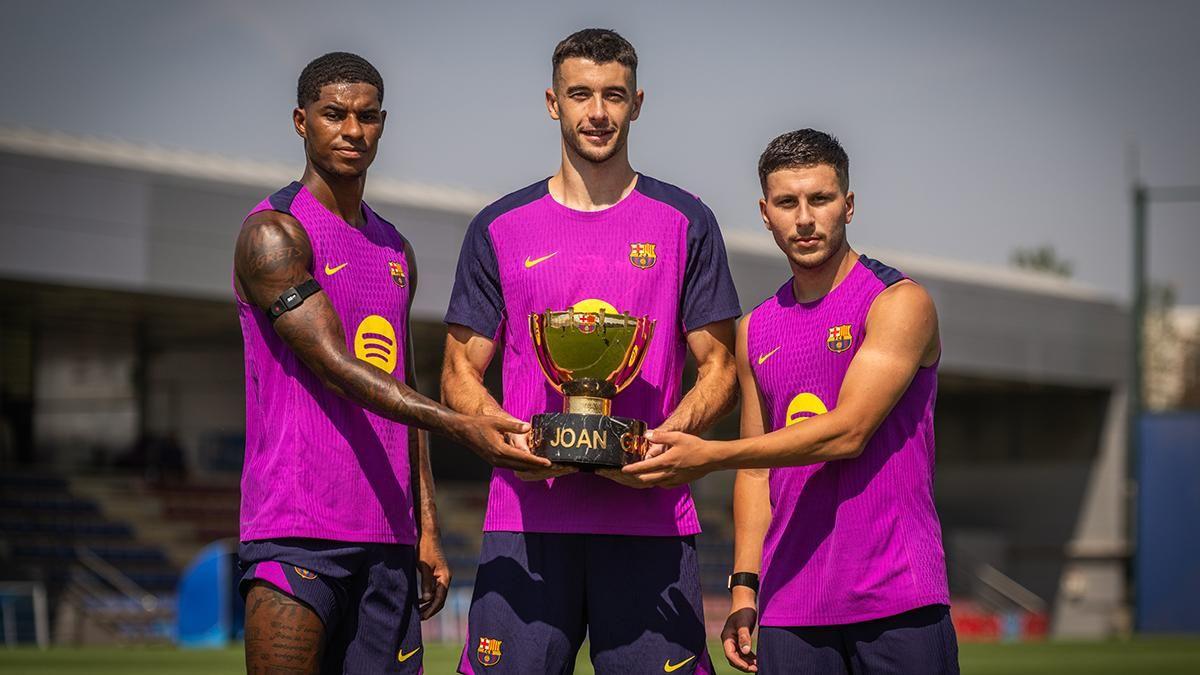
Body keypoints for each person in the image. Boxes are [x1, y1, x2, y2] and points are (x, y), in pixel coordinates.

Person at [233, 51, 550, 675]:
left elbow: (403, 385)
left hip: (389, 535)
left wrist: (426, 525)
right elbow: (335, 366)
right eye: (334, 115)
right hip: (298, 527)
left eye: (367, 116)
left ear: (383, 123)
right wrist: (463, 425)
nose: (353, 130)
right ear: (302, 121)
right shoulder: (275, 233)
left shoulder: (393, 247)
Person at [441, 29, 740, 675]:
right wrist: (497, 434)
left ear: (638, 102)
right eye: (581, 94)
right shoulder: (498, 225)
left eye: (613, 95)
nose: (597, 112)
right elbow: (459, 372)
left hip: (650, 520)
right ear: (554, 102)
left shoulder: (687, 221)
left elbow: (721, 368)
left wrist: (659, 440)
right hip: (526, 518)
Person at [623, 129, 959, 673]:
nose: (804, 218)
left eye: (820, 199)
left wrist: (709, 454)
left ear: (848, 205)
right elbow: (758, 475)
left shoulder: (899, 303)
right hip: (790, 609)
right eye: (787, 202)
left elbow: (847, 432)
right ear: (766, 213)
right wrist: (743, 591)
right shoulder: (755, 328)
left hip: (898, 597)